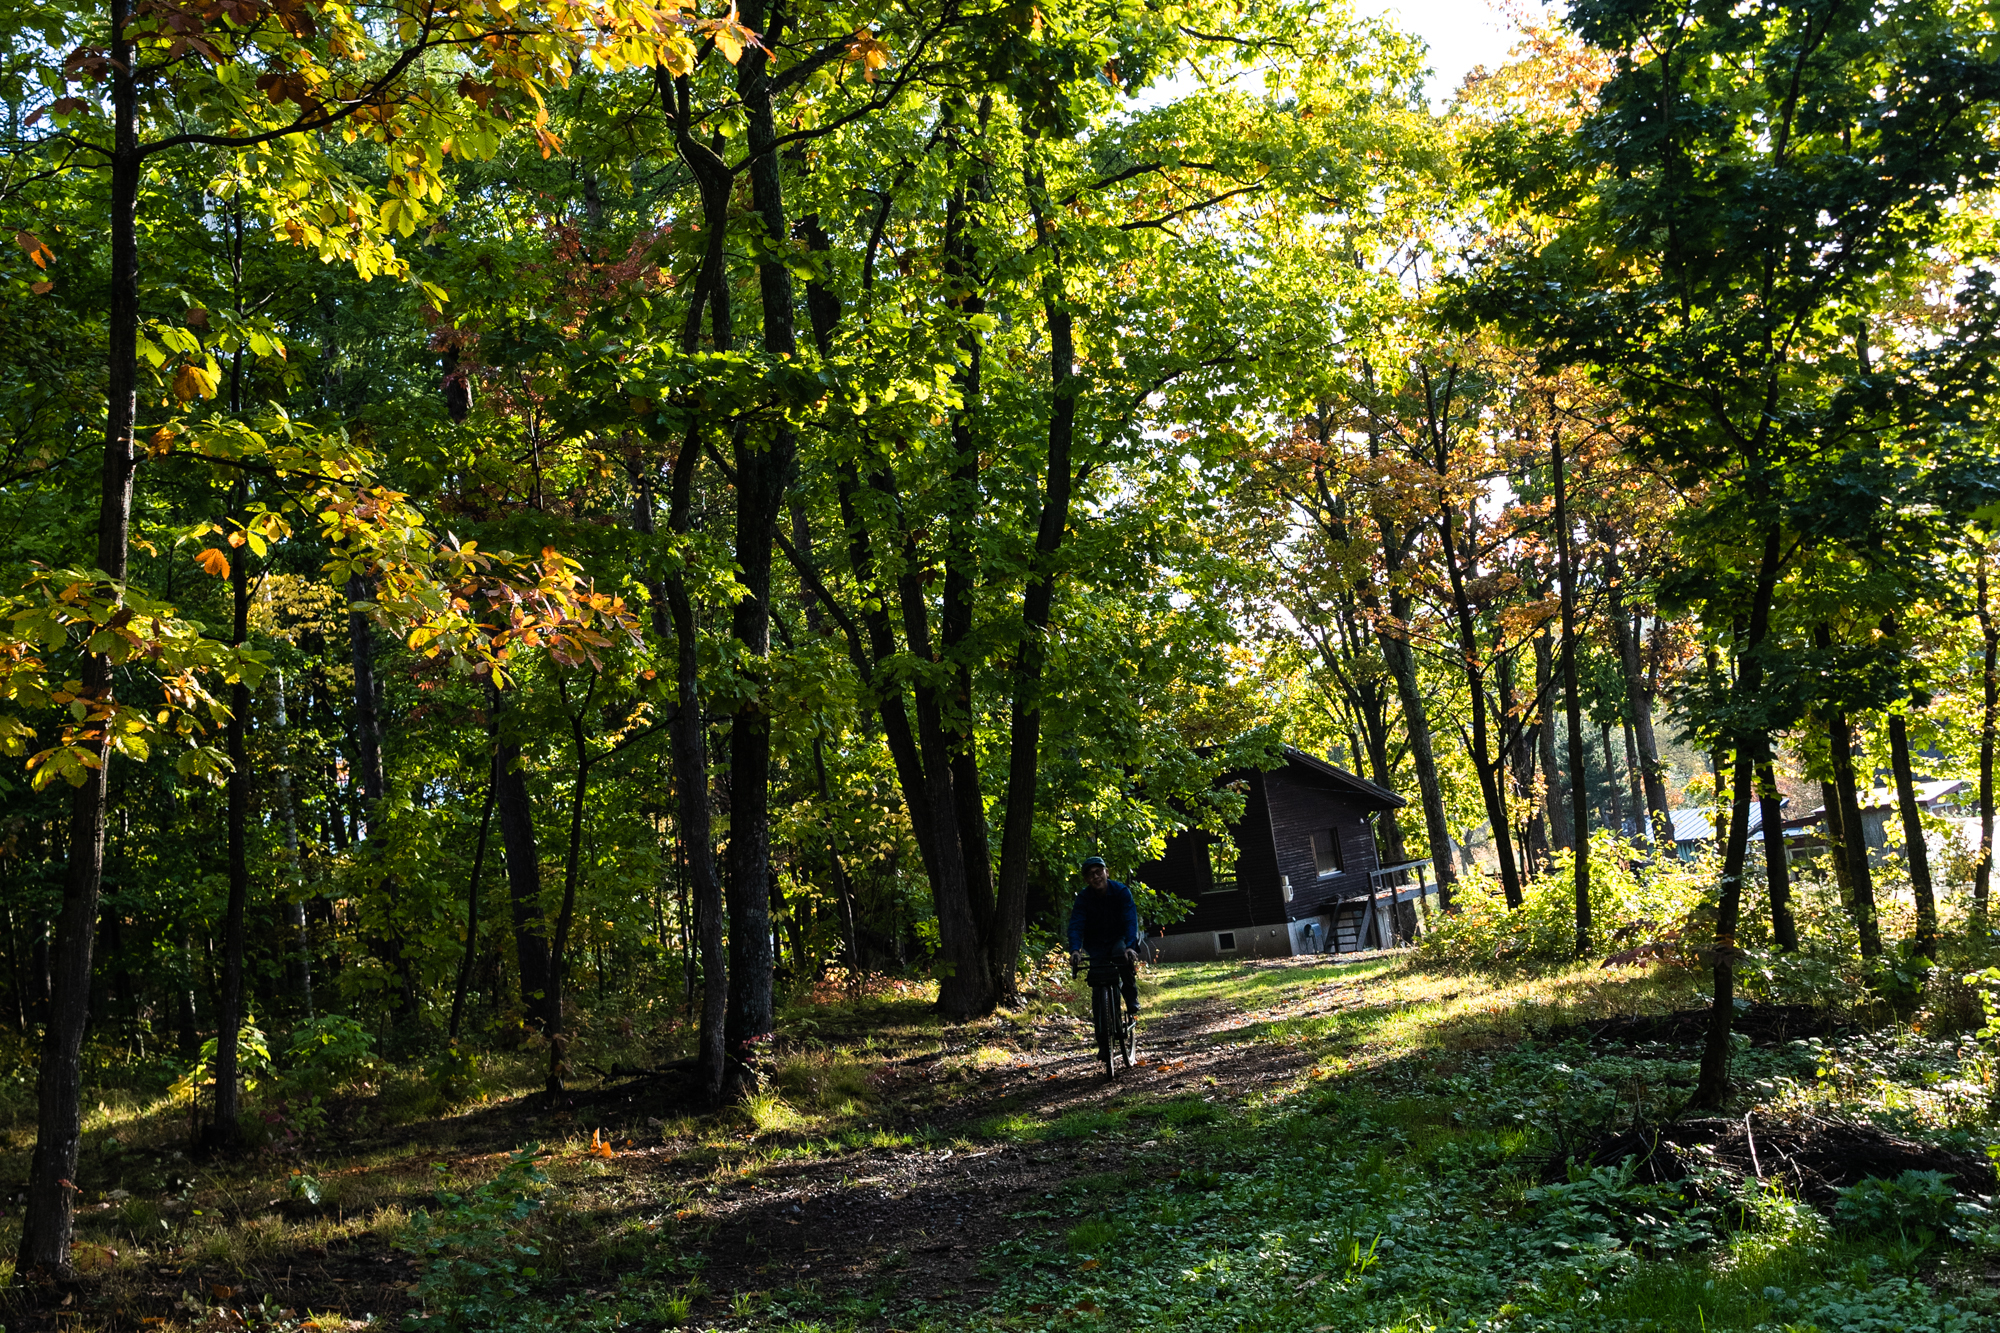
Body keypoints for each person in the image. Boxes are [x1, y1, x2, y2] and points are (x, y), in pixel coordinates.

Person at [1067, 856, 1141, 1015]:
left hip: (1118, 938)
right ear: (1087, 879)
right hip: (1095, 943)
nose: (1096, 876)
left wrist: (1130, 946)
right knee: (1097, 976)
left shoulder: (1121, 892)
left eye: (1099, 871)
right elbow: (1076, 925)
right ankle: (1102, 1018)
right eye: (1091, 874)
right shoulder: (1083, 898)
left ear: (1106, 872)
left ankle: (1130, 996)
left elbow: (1130, 920)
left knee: (1121, 955)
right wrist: (1075, 950)